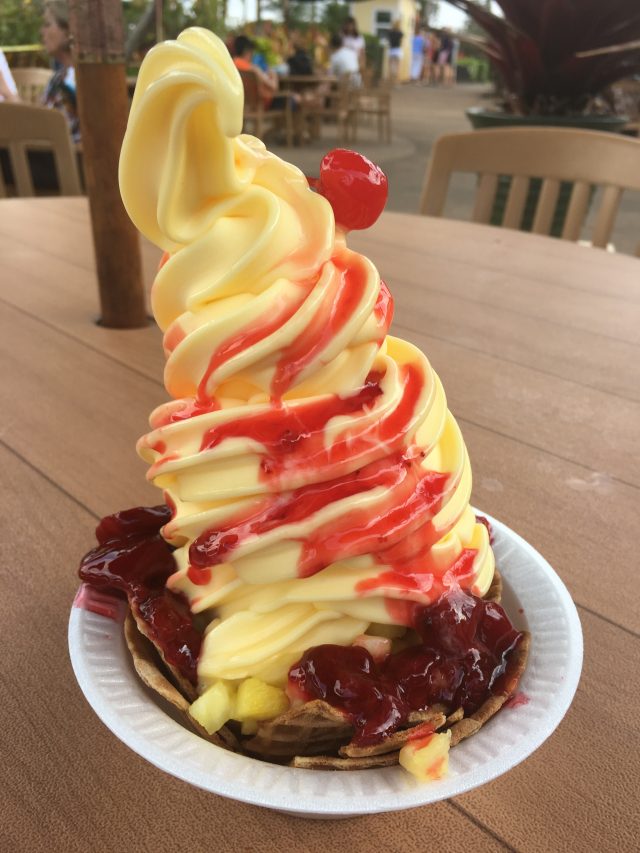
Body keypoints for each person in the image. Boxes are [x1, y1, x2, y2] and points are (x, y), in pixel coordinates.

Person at [41, 0, 79, 142]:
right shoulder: (58, 77)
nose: (42, 32)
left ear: (68, 31)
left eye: (48, 25)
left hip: (69, 162)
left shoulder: (79, 81)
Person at [232, 35, 298, 112]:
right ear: (247, 51)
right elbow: (274, 87)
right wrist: (274, 75)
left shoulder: (233, 65)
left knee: (293, 98)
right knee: (295, 99)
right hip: (264, 103)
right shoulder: (253, 69)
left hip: (244, 104)